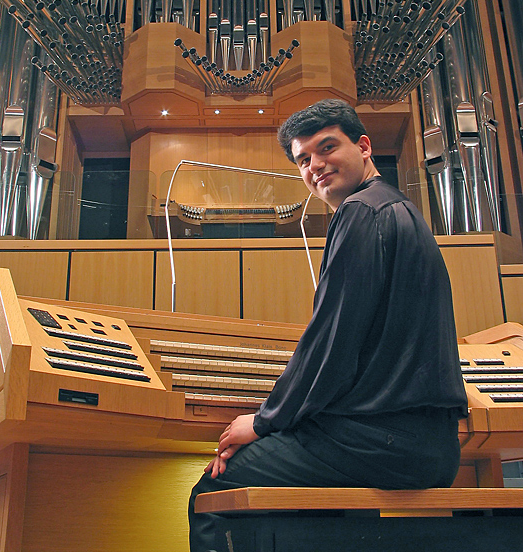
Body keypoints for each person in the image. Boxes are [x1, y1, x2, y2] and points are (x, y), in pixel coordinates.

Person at [188, 98, 468, 551]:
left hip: (381, 444)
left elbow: (331, 342)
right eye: (304, 159)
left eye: (327, 148)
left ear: (363, 146)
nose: (315, 165)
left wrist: (263, 422)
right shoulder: (401, 210)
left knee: (215, 488)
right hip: (429, 445)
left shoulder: (360, 212)